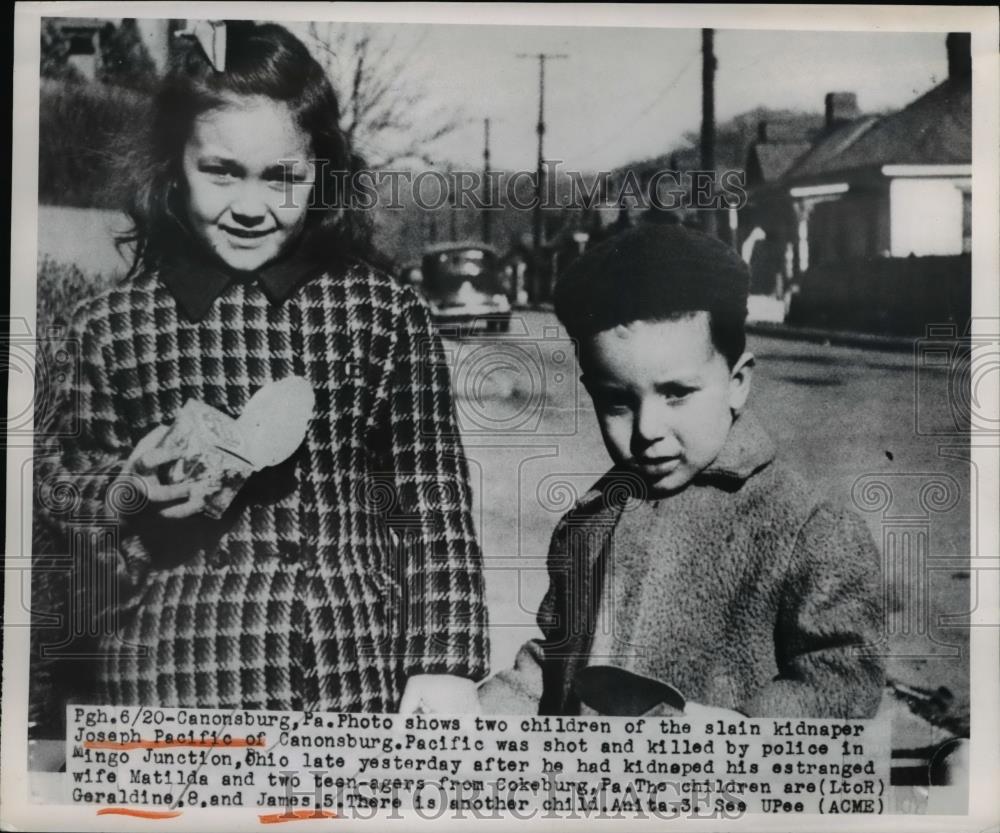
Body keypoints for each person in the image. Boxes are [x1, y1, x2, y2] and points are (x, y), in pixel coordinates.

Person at [31, 21, 488, 731]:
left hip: (345, 671)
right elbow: (67, 501)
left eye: (282, 177)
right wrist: (128, 486)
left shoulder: (381, 314)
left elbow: (430, 498)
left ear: (323, 174)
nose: (250, 206)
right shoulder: (113, 325)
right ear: (172, 167)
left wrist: (443, 659)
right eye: (221, 171)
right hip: (165, 678)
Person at [479, 224, 884, 718]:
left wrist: (725, 738)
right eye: (617, 401)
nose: (648, 429)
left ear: (737, 383)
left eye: (677, 393)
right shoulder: (590, 521)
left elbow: (842, 681)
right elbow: (556, 661)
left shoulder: (809, 529)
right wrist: (485, 713)